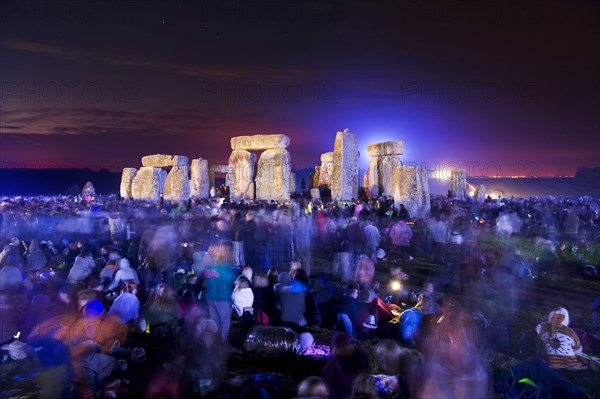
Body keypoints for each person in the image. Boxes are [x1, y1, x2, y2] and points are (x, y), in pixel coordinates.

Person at [203, 243, 236, 343]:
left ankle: (213, 343)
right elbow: (231, 279)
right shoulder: (224, 266)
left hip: (210, 298)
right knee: (225, 322)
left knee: (214, 321)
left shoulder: (208, 266)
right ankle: (223, 343)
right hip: (222, 298)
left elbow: (205, 283)